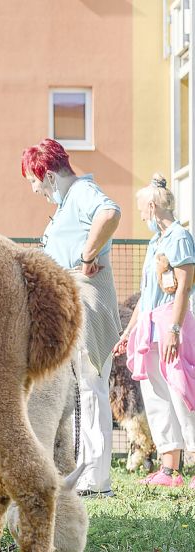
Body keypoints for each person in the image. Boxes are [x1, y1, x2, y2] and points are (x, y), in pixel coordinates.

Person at [21, 138, 121, 497]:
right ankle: (89, 475)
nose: (36, 191)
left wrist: (87, 252)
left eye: (33, 183)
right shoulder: (68, 201)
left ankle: (97, 481)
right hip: (74, 304)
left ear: (45, 174)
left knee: (92, 390)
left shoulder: (81, 191)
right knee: (85, 391)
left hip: (88, 303)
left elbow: (110, 213)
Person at [113, 174, 195, 488]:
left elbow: (183, 289)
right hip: (148, 325)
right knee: (157, 396)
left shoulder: (179, 237)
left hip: (171, 324)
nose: (141, 214)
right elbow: (147, 294)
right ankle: (169, 470)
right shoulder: (155, 242)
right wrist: (127, 333)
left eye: (141, 209)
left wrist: (174, 330)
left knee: (182, 392)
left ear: (151, 205)